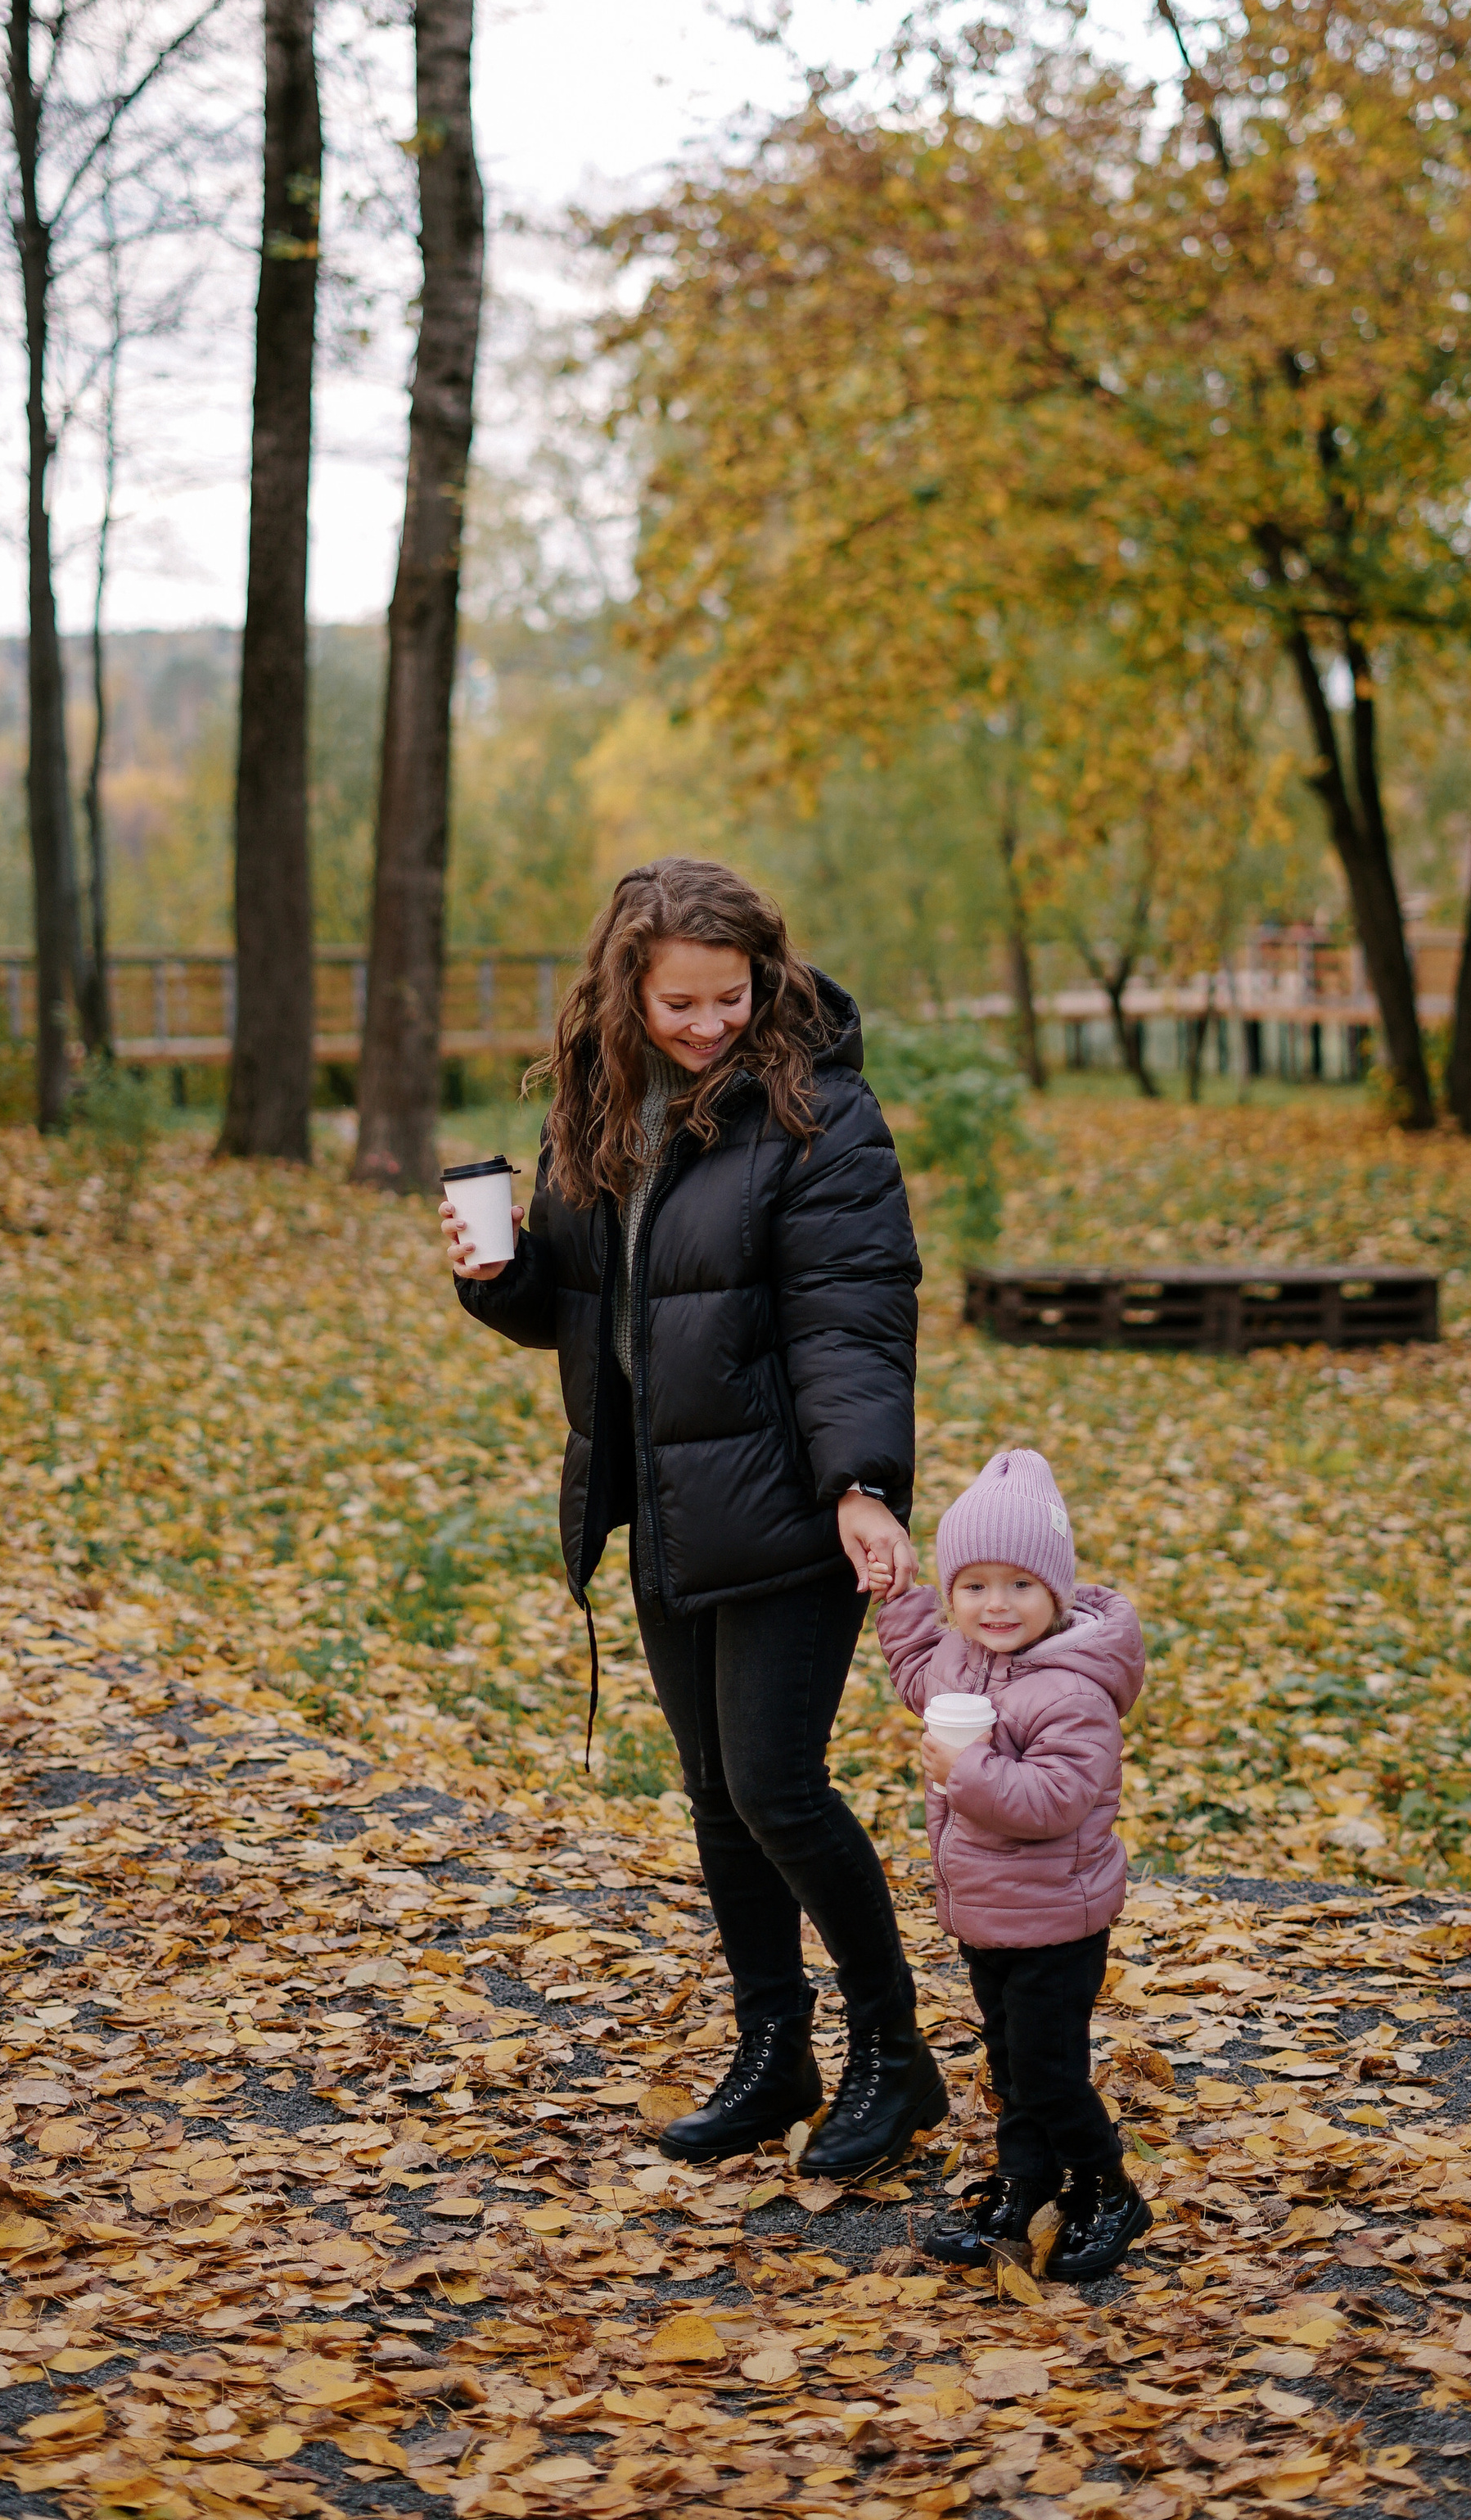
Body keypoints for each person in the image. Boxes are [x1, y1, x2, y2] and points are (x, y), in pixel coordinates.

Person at [440, 856, 948, 2180]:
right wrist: (499, 1278)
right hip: (665, 1501)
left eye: (730, 998)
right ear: (627, 989)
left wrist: (862, 1486)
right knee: (719, 1797)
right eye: (680, 1004)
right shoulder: (602, 1107)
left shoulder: (821, 1115)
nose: (709, 1025)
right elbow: (592, 1308)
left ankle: (898, 2060)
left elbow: (852, 1315)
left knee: (779, 1787)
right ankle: (774, 2054)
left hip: (788, 1506)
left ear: (764, 979)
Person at [876, 1445, 1153, 2281]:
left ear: (1055, 1591)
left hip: (1054, 1920)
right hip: (991, 1914)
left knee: (1047, 2070)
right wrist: (900, 1597)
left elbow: (1053, 1802)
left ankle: (1107, 2189)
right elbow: (914, 1669)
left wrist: (964, 1774)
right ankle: (1023, 2188)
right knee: (1009, 2060)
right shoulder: (963, 1659)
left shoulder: (1071, 1691)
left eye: (1019, 1586)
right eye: (973, 1586)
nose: (995, 1605)